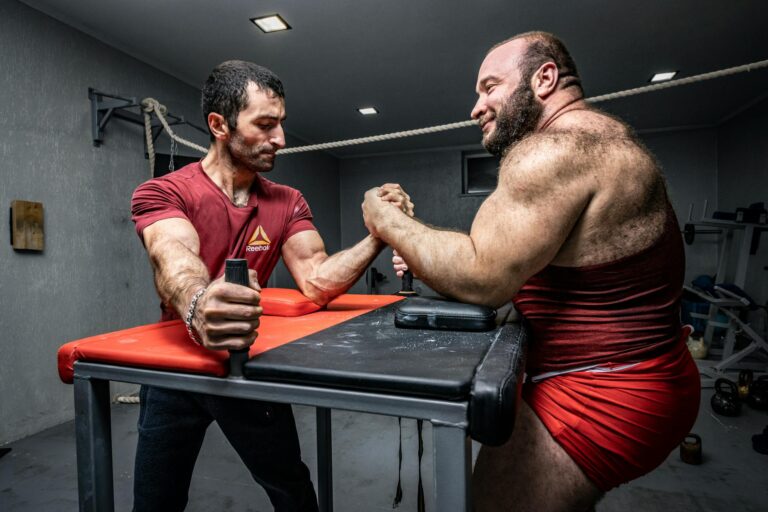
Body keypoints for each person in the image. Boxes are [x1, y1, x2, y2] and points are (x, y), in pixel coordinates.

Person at [362, 32, 700, 512]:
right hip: (629, 374)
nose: (475, 108)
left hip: (606, 391)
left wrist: (385, 220)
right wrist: (422, 250)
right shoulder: (597, 140)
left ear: (544, 79)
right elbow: (506, 265)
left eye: (490, 87)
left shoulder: (558, 147)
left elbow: (481, 276)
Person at [131, 60, 412, 512]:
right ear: (219, 125)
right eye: (265, 125)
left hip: (246, 363)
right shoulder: (165, 191)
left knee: (291, 490)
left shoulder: (287, 201)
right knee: (155, 501)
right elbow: (173, 259)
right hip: (175, 371)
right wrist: (200, 303)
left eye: (280, 123)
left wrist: (381, 233)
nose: (280, 138)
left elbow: (317, 279)